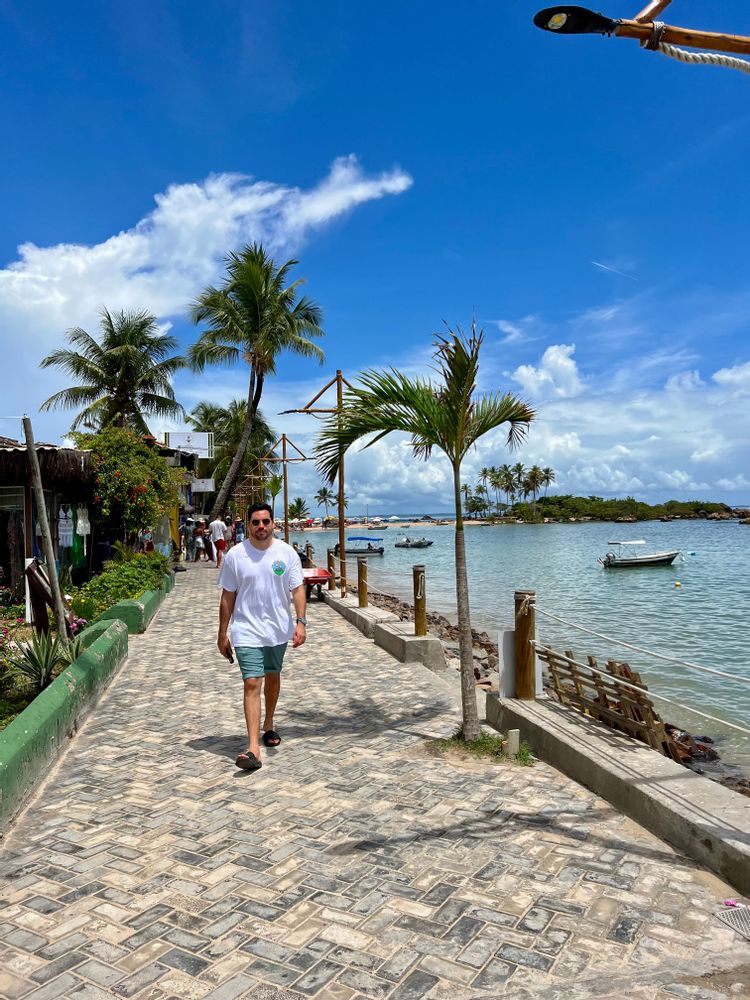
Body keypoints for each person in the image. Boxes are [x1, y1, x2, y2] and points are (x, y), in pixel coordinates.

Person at [217, 502, 306, 771]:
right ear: (248, 525)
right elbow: (227, 596)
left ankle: (269, 724)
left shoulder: (286, 553)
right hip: (246, 630)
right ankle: (253, 748)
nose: (261, 527)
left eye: (265, 522)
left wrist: (300, 622)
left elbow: (298, 589)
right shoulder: (235, 555)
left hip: (278, 630)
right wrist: (222, 633)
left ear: (273, 523)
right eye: (255, 523)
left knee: (272, 675)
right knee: (252, 682)